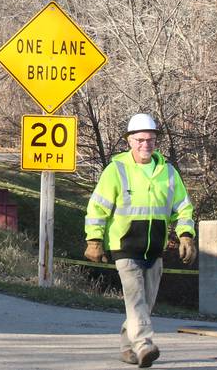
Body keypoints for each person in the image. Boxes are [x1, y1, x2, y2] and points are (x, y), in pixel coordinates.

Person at [84, 113, 196, 368]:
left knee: (145, 304)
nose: (146, 144)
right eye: (140, 140)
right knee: (135, 301)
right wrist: (94, 240)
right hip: (124, 247)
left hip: (154, 249)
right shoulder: (117, 170)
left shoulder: (168, 172)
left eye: (151, 140)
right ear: (129, 142)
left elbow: (184, 208)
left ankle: (127, 347)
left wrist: (186, 235)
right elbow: (97, 208)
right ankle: (145, 344)